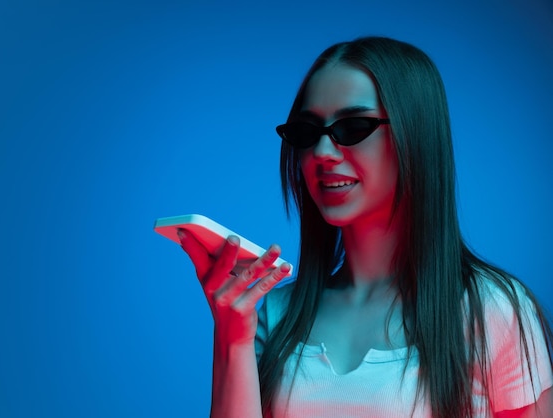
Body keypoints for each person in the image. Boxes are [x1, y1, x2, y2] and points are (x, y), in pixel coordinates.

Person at [178, 36, 553, 417]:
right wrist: (231, 335)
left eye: (353, 127)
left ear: (415, 135)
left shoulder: (490, 309)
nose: (322, 154)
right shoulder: (276, 313)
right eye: (307, 134)